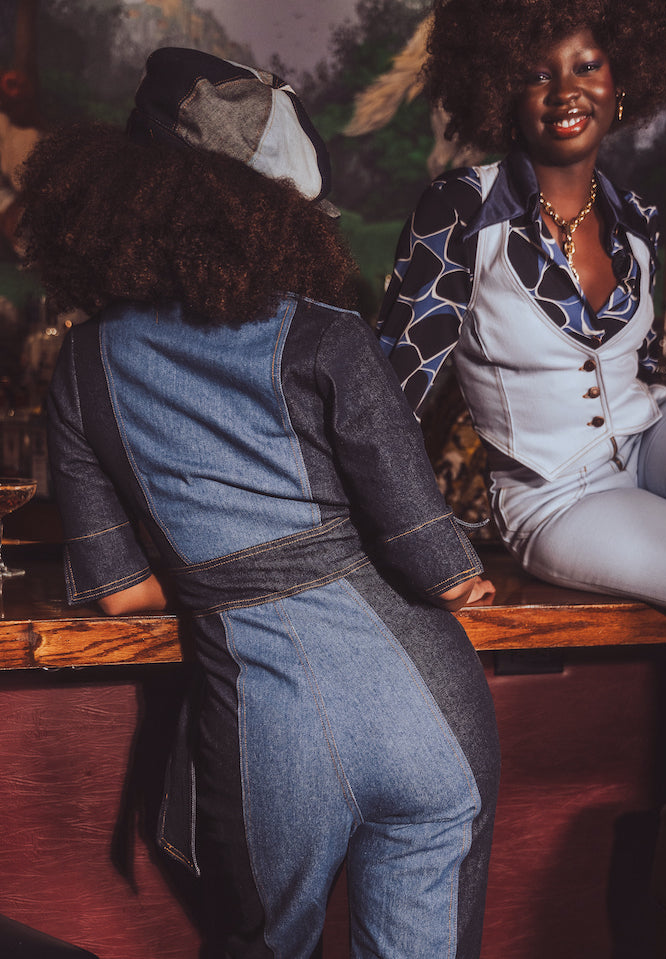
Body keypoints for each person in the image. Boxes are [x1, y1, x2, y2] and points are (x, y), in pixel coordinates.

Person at [19, 47, 500, 959]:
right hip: (424, 707)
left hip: (262, 739)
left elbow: (120, 594)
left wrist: (226, 577)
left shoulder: (83, 369)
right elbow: (430, 557)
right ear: (281, 215)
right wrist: (454, 579)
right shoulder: (330, 337)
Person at [377, 0, 666, 697]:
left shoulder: (636, 220)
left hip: (657, 435)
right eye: (538, 73)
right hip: (559, 500)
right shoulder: (458, 211)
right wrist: (425, 552)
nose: (568, 89)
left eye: (588, 65)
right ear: (503, 93)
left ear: (621, 78)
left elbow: (645, 370)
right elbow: (386, 403)